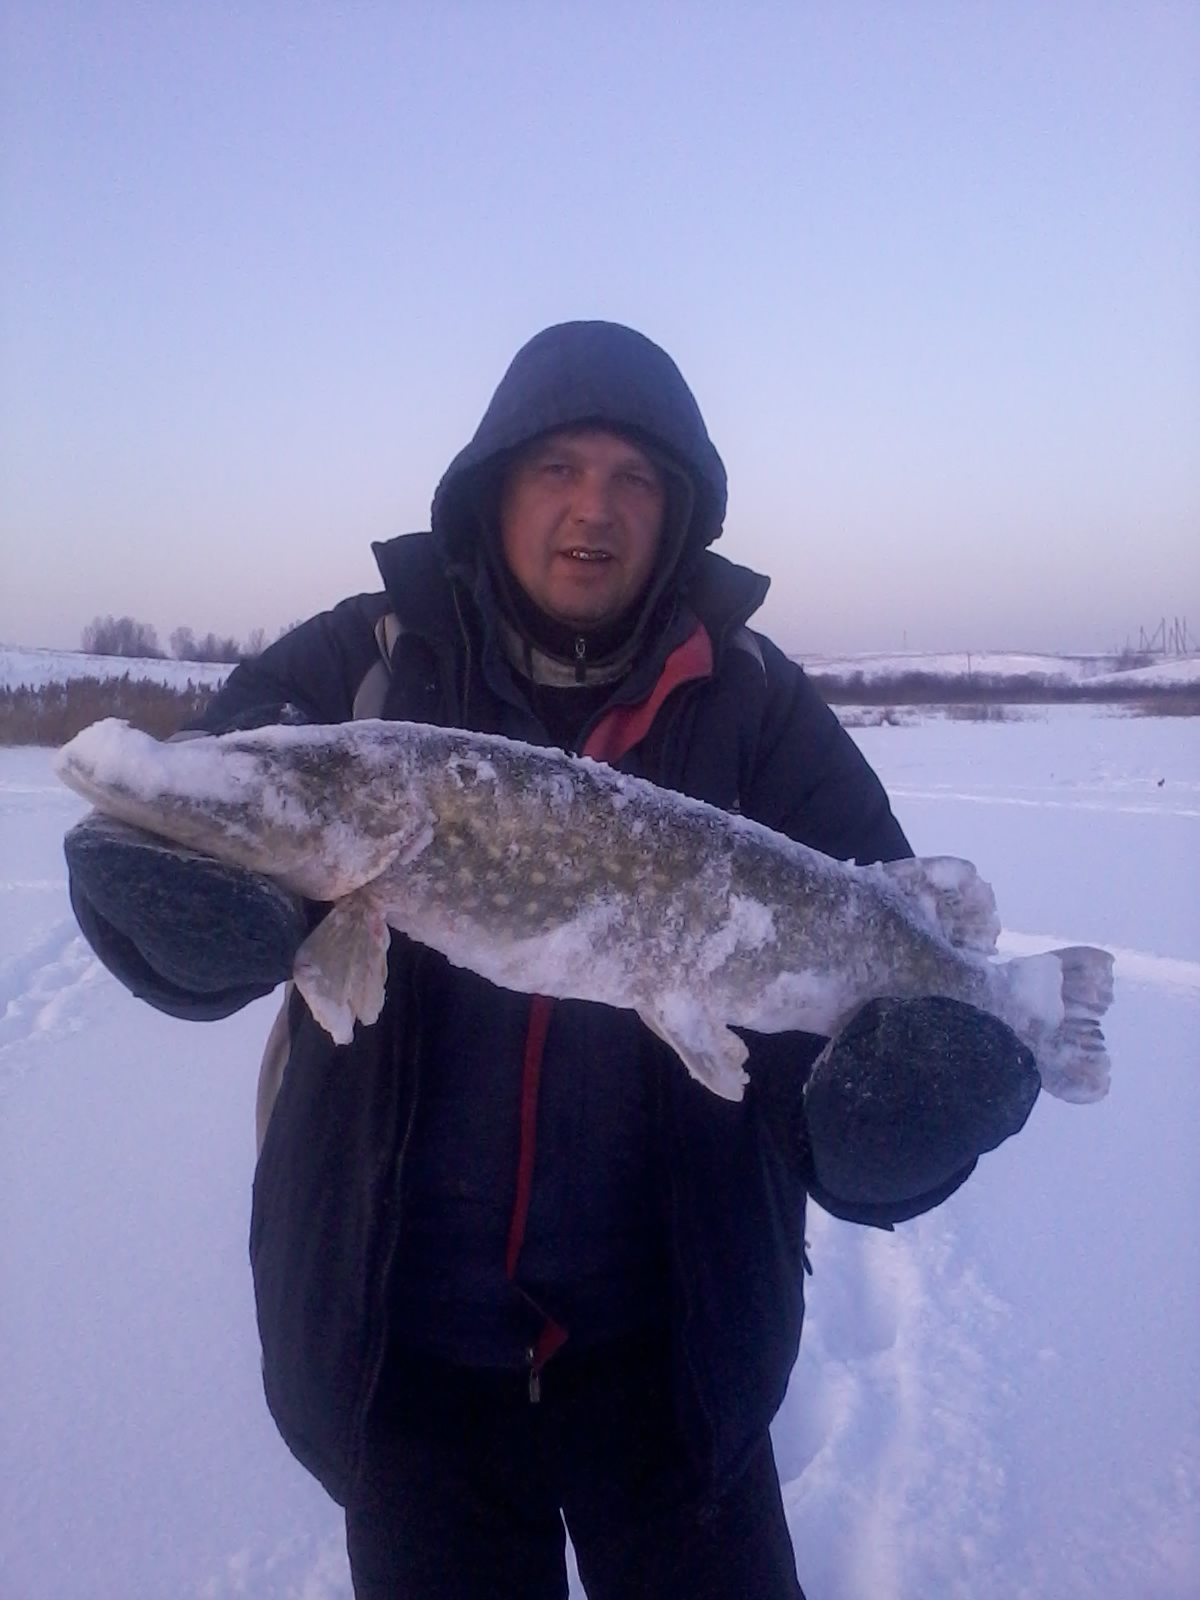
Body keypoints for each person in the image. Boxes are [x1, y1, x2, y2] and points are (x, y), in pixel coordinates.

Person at [64, 321, 1040, 1600]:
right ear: (494, 487)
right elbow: (211, 789)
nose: (595, 508)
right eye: (557, 469)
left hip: (677, 1363)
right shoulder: (364, 663)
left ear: (676, 513)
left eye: (635, 478)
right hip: (407, 1365)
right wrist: (173, 916)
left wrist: (889, 1126)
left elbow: (870, 959)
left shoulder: (757, 705)